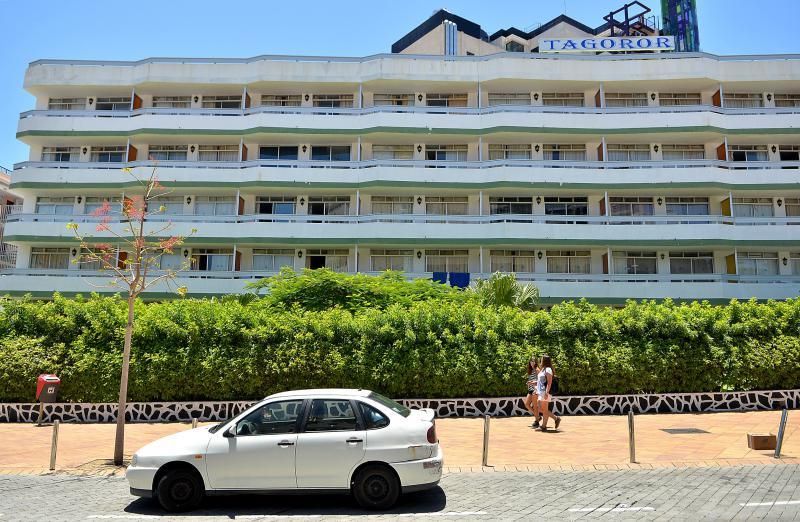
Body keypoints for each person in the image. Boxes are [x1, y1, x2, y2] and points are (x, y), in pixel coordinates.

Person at [537, 354, 561, 432]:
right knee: (541, 408)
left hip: (545, 391)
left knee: (544, 409)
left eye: (542, 359)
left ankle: (544, 426)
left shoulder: (548, 369)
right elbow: (541, 381)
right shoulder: (543, 369)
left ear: (544, 360)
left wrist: (547, 392)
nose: (540, 360)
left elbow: (549, 382)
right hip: (541, 391)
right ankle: (556, 418)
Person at [524, 357, 542, 428]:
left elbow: (540, 381)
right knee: (527, 404)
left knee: (535, 406)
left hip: (535, 390)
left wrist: (531, 383)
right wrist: (529, 383)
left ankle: (537, 421)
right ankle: (538, 417)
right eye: (531, 361)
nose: (532, 363)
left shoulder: (537, 369)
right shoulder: (530, 370)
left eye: (533, 361)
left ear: (536, 362)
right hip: (530, 389)